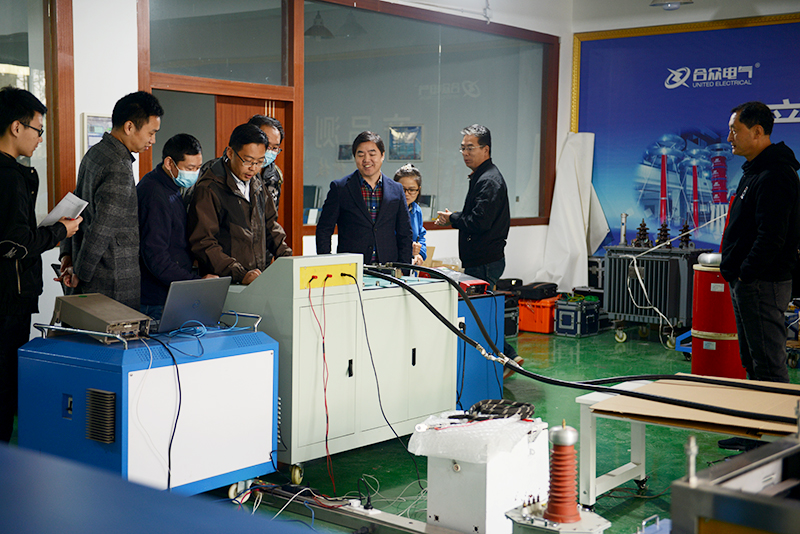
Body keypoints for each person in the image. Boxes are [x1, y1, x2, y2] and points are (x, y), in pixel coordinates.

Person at [0, 86, 82, 442]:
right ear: (16, 127)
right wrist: (60, 231)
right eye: (38, 129)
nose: (40, 138)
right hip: (7, 299)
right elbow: (13, 244)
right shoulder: (8, 176)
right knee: (4, 389)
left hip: (11, 296)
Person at [60, 91, 163, 309]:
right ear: (129, 127)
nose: (153, 140)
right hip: (111, 281)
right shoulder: (118, 166)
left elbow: (74, 207)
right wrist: (80, 273)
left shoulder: (95, 153)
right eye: (151, 133)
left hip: (86, 270)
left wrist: (67, 255)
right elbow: (102, 229)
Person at [720, 101, 800, 383]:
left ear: (757, 131)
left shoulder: (775, 174)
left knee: (768, 366)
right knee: (753, 362)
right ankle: (757, 412)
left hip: (762, 284)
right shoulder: (754, 171)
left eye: (735, 130)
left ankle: (778, 413)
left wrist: (747, 273)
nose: (729, 137)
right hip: (749, 284)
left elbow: (772, 236)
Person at [435, 124, 521, 377]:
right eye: (462, 148)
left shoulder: (489, 181)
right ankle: (510, 357)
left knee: (480, 316)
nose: (465, 153)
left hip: (485, 262)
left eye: (470, 148)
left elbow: (479, 222)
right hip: (481, 260)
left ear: (486, 149)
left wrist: (452, 218)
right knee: (481, 315)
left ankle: (506, 360)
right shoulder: (481, 177)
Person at [188, 124, 292, 285]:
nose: (253, 168)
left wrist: (289, 260)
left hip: (254, 279)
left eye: (259, 162)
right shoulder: (210, 188)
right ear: (230, 153)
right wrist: (240, 274)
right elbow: (204, 242)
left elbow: (270, 226)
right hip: (225, 282)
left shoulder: (256, 182)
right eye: (248, 161)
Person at [137, 133, 217, 320]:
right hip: (156, 299)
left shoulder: (171, 186)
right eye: (189, 168)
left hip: (170, 291)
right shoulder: (154, 193)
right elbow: (155, 256)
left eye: (198, 167)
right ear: (169, 163)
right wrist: (195, 282)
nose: (194, 173)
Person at [316, 131, 412, 265]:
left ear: (382, 155)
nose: (366, 160)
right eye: (360, 155)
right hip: (350, 268)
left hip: (388, 268)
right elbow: (324, 230)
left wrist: (404, 269)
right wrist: (327, 264)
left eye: (372, 154)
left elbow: (405, 233)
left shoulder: (396, 189)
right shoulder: (340, 188)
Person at [247, 115, 285, 210]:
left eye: (275, 148)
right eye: (267, 145)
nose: (269, 151)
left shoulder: (274, 174)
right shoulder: (228, 170)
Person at [393, 164, 427, 266]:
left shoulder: (417, 210)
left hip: (411, 265)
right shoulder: (388, 210)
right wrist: (407, 248)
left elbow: (421, 236)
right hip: (393, 263)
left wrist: (420, 254)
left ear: (418, 190)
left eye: (411, 190)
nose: (406, 194)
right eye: (402, 189)